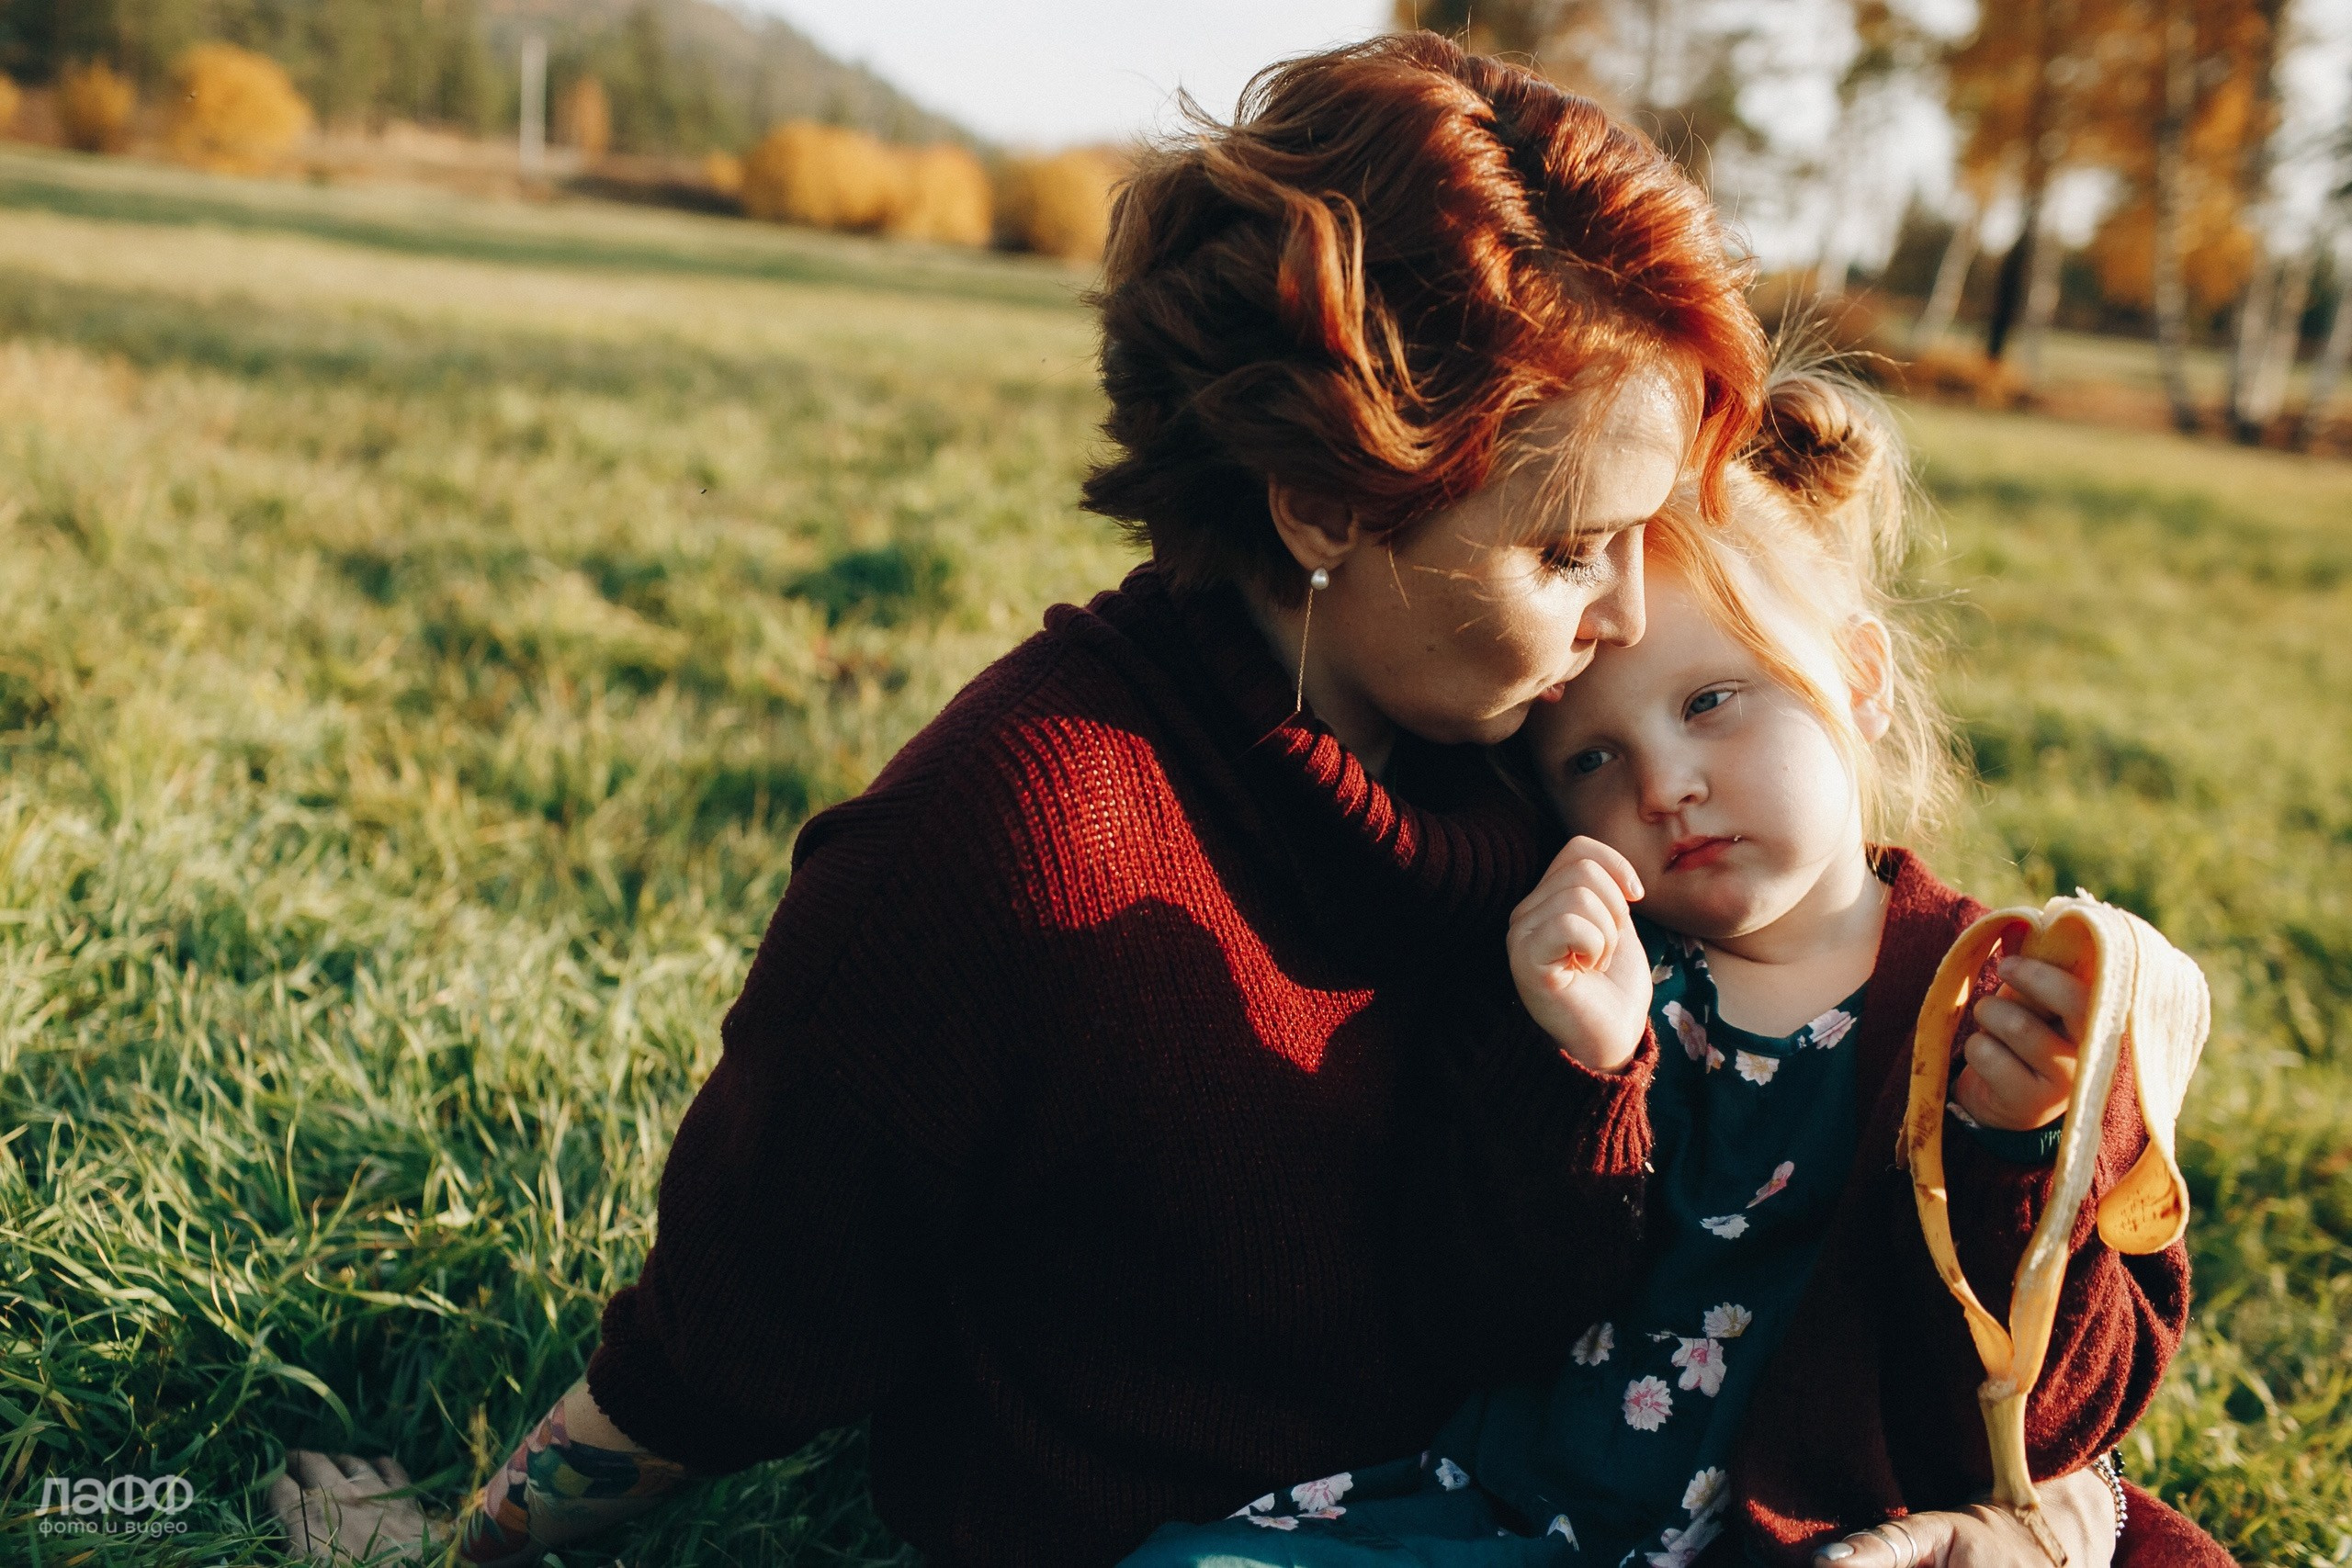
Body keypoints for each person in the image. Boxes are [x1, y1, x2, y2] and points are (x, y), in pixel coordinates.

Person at [266, 36, 2158, 1568]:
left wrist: (2040, 1485)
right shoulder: (1016, 843)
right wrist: (470, 1534)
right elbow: (740, 1318)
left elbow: (1809, 1181)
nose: (1616, 622)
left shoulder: (1528, 753)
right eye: (1568, 548)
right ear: (1326, 502)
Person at [1113, 374, 2233, 1568]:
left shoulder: (2000, 1006)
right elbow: (1472, 1319)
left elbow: (2056, 1421)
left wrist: (2014, 1147)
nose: (1663, 785)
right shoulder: (1593, 983)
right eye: (1592, 759)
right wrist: (1585, 1074)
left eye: (1711, 701)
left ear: (1858, 681)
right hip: (1525, 1522)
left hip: (1814, 1540)